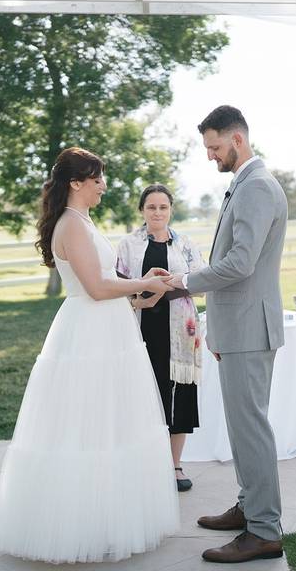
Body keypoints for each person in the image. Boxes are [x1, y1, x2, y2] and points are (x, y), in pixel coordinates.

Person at [0, 147, 180, 564]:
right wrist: (141, 286)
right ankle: (83, 527)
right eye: (96, 178)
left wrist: (142, 287)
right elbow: (96, 289)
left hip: (107, 328)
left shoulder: (82, 220)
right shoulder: (72, 225)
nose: (103, 185)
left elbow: (106, 282)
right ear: (76, 183)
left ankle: (108, 518)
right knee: (89, 426)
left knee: (111, 423)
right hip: (89, 336)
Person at [167, 106, 289, 563]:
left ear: (237, 139)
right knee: (242, 428)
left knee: (250, 428)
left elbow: (241, 263)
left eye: (214, 147)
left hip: (248, 329)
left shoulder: (256, 186)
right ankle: (249, 508)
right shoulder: (245, 183)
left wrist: (184, 281)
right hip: (237, 328)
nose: (210, 156)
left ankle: (263, 530)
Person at [116, 184, 206, 493]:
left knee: (179, 396)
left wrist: (159, 291)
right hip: (142, 326)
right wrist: (148, 292)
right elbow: (119, 283)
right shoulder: (128, 244)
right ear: (142, 210)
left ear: (171, 210)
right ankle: (145, 463)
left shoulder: (185, 244)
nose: (157, 212)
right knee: (145, 393)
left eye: (163, 207)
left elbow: (201, 282)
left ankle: (175, 465)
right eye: (151, 206)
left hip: (181, 329)